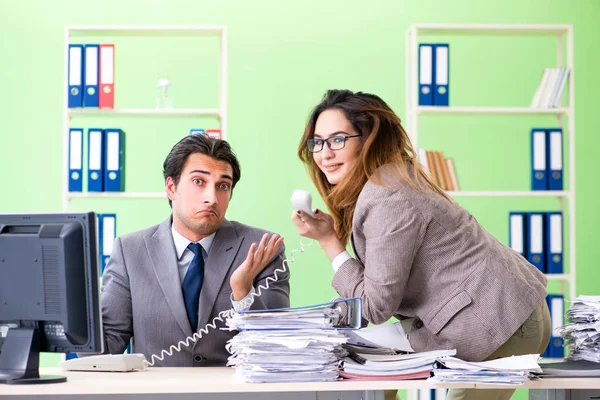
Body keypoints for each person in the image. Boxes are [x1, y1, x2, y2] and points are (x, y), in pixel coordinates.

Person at [292, 89, 551, 400]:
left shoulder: (386, 196)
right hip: (504, 309)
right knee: (364, 356)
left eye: (337, 140)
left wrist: (330, 243)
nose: (324, 154)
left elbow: (374, 306)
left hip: (500, 321)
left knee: (366, 354)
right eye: (317, 142)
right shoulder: (389, 180)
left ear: (369, 138)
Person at [101, 134, 290, 367]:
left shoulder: (262, 248)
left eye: (223, 185)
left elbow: (275, 348)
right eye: (199, 181)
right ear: (171, 188)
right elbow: (104, 350)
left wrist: (243, 292)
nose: (211, 198)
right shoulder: (130, 251)